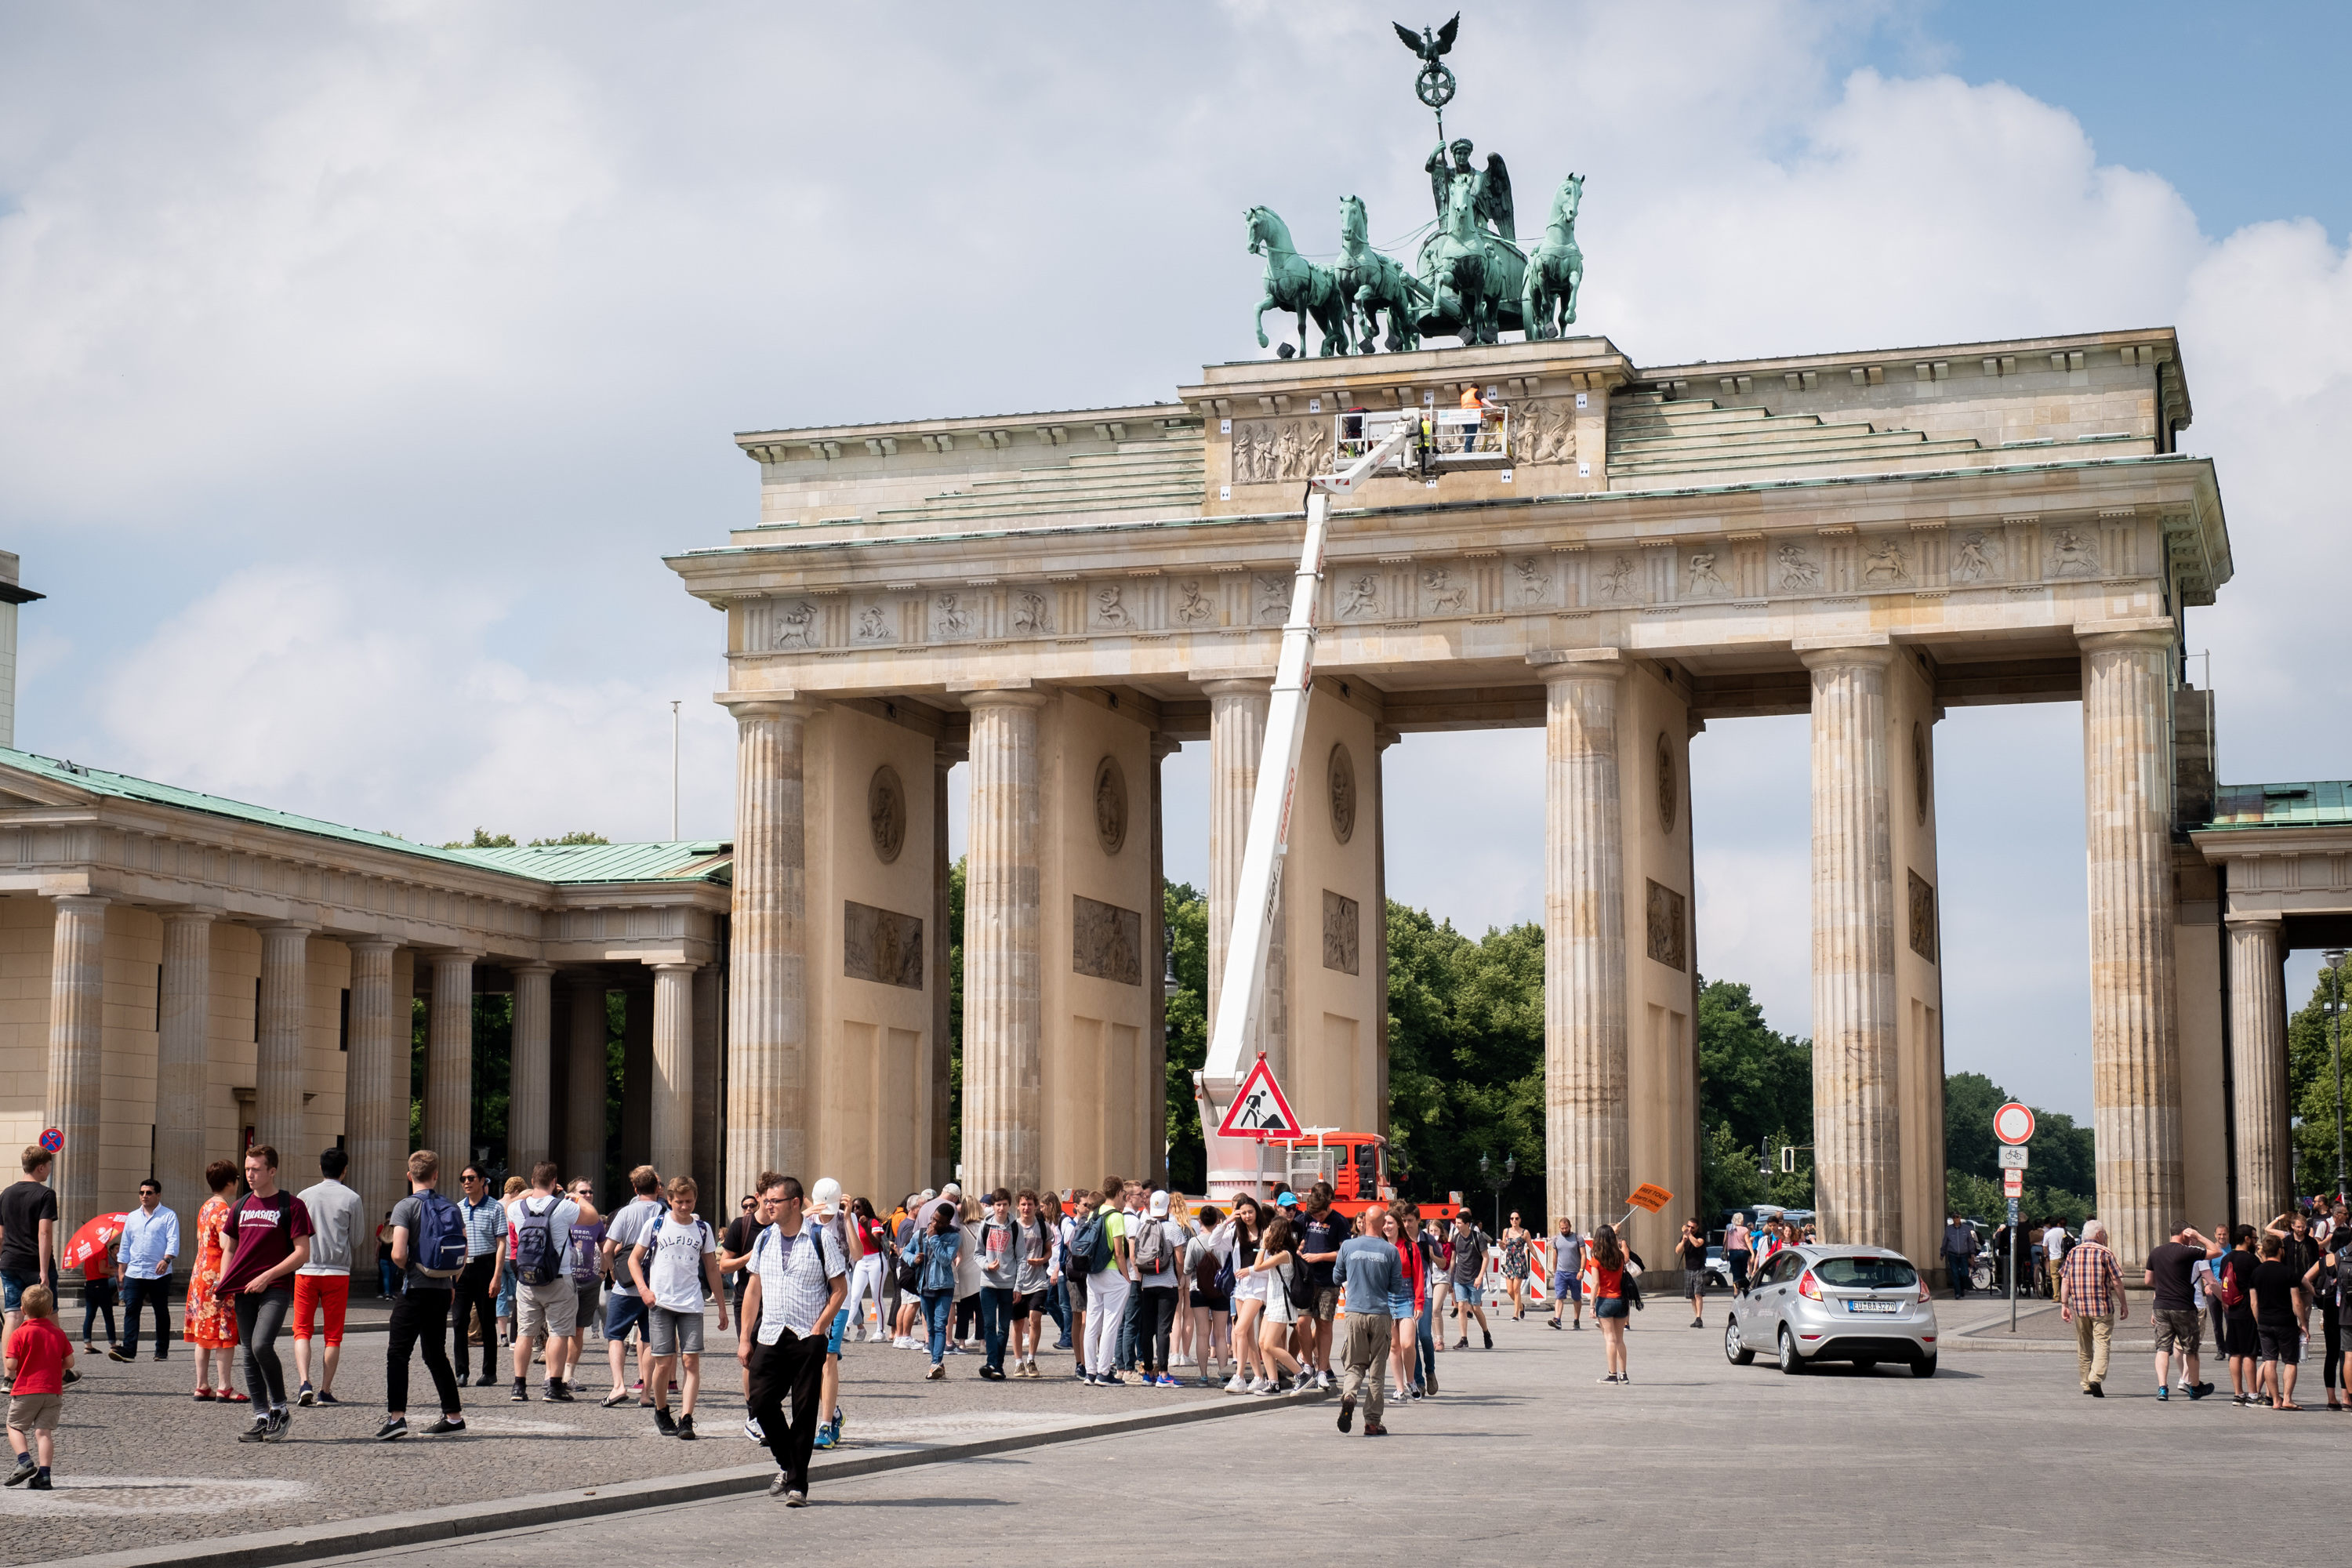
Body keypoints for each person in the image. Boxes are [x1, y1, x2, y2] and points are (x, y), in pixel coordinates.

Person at [739, 1173, 846, 1508]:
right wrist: (744, 1339)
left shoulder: (820, 1238)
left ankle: (798, 1485)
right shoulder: (764, 1239)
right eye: (766, 1201)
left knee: (804, 1410)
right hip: (770, 1334)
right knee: (760, 1402)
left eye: (775, 1201)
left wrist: (820, 1327)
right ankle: (788, 1464)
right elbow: (753, 1290)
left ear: (795, 1203)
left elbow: (840, 1289)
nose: (768, 1206)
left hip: (806, 1337)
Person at [216, 1145, 314, 1441]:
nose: (250, 1175)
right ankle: (261, 1416)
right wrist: (223, 1284)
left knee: (261, 1345)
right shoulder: (240, 1205)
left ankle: (280, 1410)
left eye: (256, 1169)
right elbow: (229, 1249)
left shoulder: (292, 1205)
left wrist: (267, 1276)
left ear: (272, 1171)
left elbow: (302, 1253)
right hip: (243, 1290)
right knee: (248, 1352)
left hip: (276, 1288)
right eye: (247, 1169)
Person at [376, 1149, 466, 1440]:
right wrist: (450, 1282)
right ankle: (453, 1416)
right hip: (442, 1291)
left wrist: (410, 1268)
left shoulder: (405, 1206)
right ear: (436, 1175)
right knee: (436, 1354)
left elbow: (398, 1253)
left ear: (409, 1175)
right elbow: (463, 1252)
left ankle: (396, 1418)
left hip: (415, 1289)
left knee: (398, 1353)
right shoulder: (451, 1206)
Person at [627, 1176, 724, 1440]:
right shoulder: (656, 1224)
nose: (684, 1206)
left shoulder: (702, 1229)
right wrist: (643, 1289)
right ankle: (662, 1410)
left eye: (689, 1201)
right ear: (669, 1200)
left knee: (691, 1361)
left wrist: (721, 1306)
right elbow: (634, 1260)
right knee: (663, 1362)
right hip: (660, 1302)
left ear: (695, 1200)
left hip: (691, 1303)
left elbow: (711, 1268)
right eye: (679, 1201)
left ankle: (687, 1418)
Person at [504, 1161, 584, 1404]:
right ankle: (554, 1387)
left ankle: (518, 1386)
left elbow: (507, 1204)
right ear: (554, 1182)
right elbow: (591, 1217)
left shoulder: (517, 1208)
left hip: (527, 1280)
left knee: (525, 1334)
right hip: (558, 1277)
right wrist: (573, 1197)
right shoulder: (564, 1207)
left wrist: (528, 1192)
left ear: (532, 1180)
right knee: (558, 1332)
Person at [290, 1147, 365, 1407]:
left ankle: (304, 1382)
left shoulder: (304, 1196)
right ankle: (325, 1390)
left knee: (302, 1330)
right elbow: (357, 1239)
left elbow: (294, 1234)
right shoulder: (352, 1198)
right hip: (337, 1272)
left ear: (321, 1168)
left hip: (306, 1270)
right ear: (345, 1170)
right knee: (333, 1335)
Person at [1332, 1207, 1402, 1436]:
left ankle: (1350, 1396)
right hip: (1380, 1314)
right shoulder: (1391, 1251)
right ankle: (1372, 1422)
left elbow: (1336, 1277)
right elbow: (1396, 1287)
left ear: (1364, 1222)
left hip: (1354, 1313)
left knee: (1354, 1365)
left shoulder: (1348, 1246)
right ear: (1382, 1224)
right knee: (1377, 1371)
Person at [598, 1165, 664, 1407]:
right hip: (655, 1287)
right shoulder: (666, 1213)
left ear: (635, 1188)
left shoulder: (626, 1212)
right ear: (657, 1189)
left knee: (615, 1335)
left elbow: (607, 1248)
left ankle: (619, 1386)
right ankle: (646, 1393)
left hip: (626, 1287)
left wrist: (612, 1271)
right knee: (649, 1339)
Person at [184, 1160, 242, 1402]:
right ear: (230, 1182)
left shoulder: (206, 1206)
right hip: (218, 1275)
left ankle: (202, 1385)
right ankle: (224, 1386)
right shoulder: (225, 1211)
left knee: (203, 1332)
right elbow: (226, 1244)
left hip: (200, 1273)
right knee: (223, 1332)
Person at [805, 1177, 857, 1450]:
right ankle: (834, 1412)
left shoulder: (844, 1218)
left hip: (839, 1298)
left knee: (828, 1359)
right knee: (809, 1362)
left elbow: (858, 1254)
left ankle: (825, 1425)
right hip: (811, 1297)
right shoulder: (808, 1220)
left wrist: (847, 1219)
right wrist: (804, 1215)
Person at [3, 1283, 71, 1490]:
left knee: (14, 1426)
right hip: (53, 1391)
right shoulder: (58, 1333)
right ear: (50, 1310)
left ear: (23, 1310)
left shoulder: (19, 1334)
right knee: (44, 1433)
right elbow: (69, 1363)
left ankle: (24, 1460)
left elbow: (11, 1365)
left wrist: (9, 1359)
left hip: (27, 1389)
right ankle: (44, 1476)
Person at [2056, 1216, 2128, 1397]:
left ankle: (2086, 1383)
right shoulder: (2105, 1253)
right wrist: (2124, 1304)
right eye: (2105, 1234)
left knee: (2084, 1346)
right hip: (2102, 1308)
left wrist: (2064, 1304)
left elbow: (2065, 1280)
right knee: (2102, 1343)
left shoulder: (2073, 1253)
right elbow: (2116, 1281)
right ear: (2099, 1234)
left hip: (2080, 1308)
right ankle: (2096, 1377)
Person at [2143, 1222, 2215, 1401]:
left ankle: (2162, 1388)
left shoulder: (2156, 1252)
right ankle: (2195, 1387)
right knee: (2190, 1349)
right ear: (2185, 1233)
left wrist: (2163, 1286)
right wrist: (2199, 1237)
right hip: (2183, 1305)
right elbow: (2216, 1251)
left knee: (2162, 1348)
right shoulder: (2187, 1251)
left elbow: (2148, 1281)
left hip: (2161, 1305)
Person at [114, 1178, 180, 1365]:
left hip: (159, 1273)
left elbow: (173, 1240)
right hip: (135, 1272)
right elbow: (125, 1244)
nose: (144, 1196)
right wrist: (121, 1269)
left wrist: (167, 1259)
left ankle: (161, 1350)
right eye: (142, 1192)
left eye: (149, 1193)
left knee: (161, 1311)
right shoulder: (132, 1217)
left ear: (158, 1195)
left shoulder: (168, 1215)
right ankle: (129, 1350)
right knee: (131, 1310)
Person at [450, 1165, 505, 1388]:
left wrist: (497, 1276)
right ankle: (461, 1372)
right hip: (462, 1269)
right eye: (463, 1178)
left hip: (485, 1266)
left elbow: (501, 1244)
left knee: (487, 1321)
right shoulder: (457, 1208)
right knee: (459, 1322)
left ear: (483, 1181)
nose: (466, 1182)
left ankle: (489, 1372)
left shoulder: (495, 1207)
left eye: (471, 1178)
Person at [0, 1146, 58, 1352]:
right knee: (49, 1314)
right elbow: (44, 1233)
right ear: (40, 1167)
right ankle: (58, 1366)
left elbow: (1, 1235)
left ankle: (9, 1367)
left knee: (13, 1315)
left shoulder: (6, 1194)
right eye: (49, 1165)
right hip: (35, 1263)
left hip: (9, 1263)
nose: (50, 1170)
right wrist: (44, 1271)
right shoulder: (46, 1194)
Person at [902, 1198, 963, 1381]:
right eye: (933, 1219)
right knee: (930, 1327)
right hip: (924, 1286)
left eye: (939, 1222)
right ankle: (938, 1364)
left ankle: (936, 1362)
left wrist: (934, 1238)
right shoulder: (921, 1233)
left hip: (944, 1286)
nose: (934, 1224)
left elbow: (945, 1260)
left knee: (940, 1325)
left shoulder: (953, 1236)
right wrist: (914, 1259)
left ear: (948, 1222)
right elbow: (905, 1252)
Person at [1293, 1184, 1346, 1388]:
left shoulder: (1339, 1221)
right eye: (1315, 1216)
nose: (1318, 1219)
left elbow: (1343, 1252)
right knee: (1302, 1322)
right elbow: (1299, 1239)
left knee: (1324, 1324)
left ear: (1328, 1207)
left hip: (1328, 1281)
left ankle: (1322, 1370)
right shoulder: (1306, 1218)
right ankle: (1307, 1364)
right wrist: (1299, 1250)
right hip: (1306, 1279)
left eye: (1321, 1215)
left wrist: (1319, 1256)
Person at [1082, 1176, 1132, 1386]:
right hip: (1111, 1272)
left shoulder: (1094, 1212)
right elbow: (1119, 1252)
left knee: (1092, 1324)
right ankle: (1104, 1372)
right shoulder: (1116, 1216)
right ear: (1119, 1192)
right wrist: (1127, 1278)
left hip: (1093, 1272)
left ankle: (1090, 1372)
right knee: (1111, 1323)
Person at [2249, 1232, 2308, 1411]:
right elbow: (2297, 1302)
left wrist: (2259, 1321)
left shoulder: (2256, 1273)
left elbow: (2254, 1303)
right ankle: (2287, 1398)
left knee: (2270, 1360)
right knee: (2290, 1361)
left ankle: (2275, 1400)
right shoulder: (2288, 1272)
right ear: (2280, 1250)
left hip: (2265, 1322)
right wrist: (2303, 1324)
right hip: (2285, 1322)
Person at [1247, 1214, 1305, 1392]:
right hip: (1273, 1302)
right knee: (1262, 1342)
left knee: (1270, 1344)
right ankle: (1273, 1382)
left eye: (1270, 1231)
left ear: (1277, 1233)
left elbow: (1258, 1267)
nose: (1267, 1233)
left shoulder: (1285, 1254)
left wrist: (1263, 1246)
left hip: (1282, 1303)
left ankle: (1301, 1374)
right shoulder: (1278, 1253)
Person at [1217, 1196, 1267, 1393]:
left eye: (1250, 1212)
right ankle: (1259, 1378)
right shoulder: (1235, 1233)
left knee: (1239, 1330)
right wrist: (1227, 1221)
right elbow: (1214, 1242)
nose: (1247, 1216)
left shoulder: (1265, 1233)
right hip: (1240, 1287)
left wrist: (1250, 1270)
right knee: (1247, 1334)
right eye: (1243, 1213)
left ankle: (1239, 1377)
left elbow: (1270, 1264)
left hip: (1259, 1287)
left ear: (1256, 1212)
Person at [975, 1187, 1019, 1381]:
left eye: (1005, 1205)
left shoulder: (1015, 1227)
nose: (1001, 1208)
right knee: (989, 1324)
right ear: (992, 1206)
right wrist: (987, 1265)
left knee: (1004, 1327)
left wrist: (1018, 1286)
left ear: (1009, 1205)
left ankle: (997, 1365)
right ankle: (993, 1363)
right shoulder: (985, 1226)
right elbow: (977, 1253)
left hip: (1008, 1284)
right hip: (988, 1283)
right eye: (998, 1205)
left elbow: (1021, 1258)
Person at [1009, 1190, 1054, 1379]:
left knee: (1035, 1320)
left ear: (1036, 1206)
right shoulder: (1013, 1227)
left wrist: (1042, 1260)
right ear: (1018, 1206)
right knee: (1018, 1323)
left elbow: (1049, 1251)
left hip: (1038, 1280)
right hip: (1017, 1282)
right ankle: (1018, 1362)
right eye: (1023, 1204)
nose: (1026, 1208)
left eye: (1030, 1204)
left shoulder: (1043, 1226)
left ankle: (1031, 1359)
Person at [2216, 1224, 2262, 1404]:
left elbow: (2223, 1282)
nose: (2256, 1242)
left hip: (2232, 1310)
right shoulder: (2252, 1261)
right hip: (2248, 1310)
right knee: (2249, 1353)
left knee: (2234, 1353)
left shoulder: (2226, 1258)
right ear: (2247, 1239)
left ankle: (2238, 1394)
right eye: (2255, 1238)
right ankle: (2253, 1394)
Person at [1584, 1222, 1633, 1385]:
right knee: (1620, 1339)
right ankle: (1623, 1374)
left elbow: (1595, 1284)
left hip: (1605, 1301)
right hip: (1621, 1300)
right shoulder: (1620, 1257)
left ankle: (1612, 1375)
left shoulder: (1596, 1259)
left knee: (1610, 1339)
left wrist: (1591, 1305)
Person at [2314, 1201, 2351, 1410]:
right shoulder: (2347, 1259)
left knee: (2331, 1355)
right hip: (2345, 1310)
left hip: (2328, 1308)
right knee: (2346, 1354)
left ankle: (2331, 1399)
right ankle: (2347, 1397)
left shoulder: (2326, 1260)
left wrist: (2317, 1295)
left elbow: (2305, 1279)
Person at [564, 1180, 605, 1362]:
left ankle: (568, 1371)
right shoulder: (563, 1214)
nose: (588, 1195)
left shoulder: (596, 1221)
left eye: (590, 1191)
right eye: (583, 1192)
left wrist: (602, 1273)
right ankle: (554, 1372)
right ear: (572, 1194)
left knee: (579, 1330)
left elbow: (606, 1249)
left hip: (588, 1283)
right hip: (564, 1281)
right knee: (559, 1330)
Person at [1450, 1215, 1490, 1348]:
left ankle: (1486, 1332)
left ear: (1467, 1224)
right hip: (1460, 1278)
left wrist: (1480, 1277)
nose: (1456, 1225)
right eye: (1456, 1223)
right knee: (1461, 1306)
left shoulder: (1477, 1237)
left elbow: (1486, 1258)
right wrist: (1450, 1278)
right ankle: (1464, 1339)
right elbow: (1453, 1259)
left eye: (1459, 1223)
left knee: (1476, 1308)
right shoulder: (1456, 1238)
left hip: (1474, 1278)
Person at [76, 1226, 117, 1358]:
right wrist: (115, 1271)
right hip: (101, 1284)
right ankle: (113, 1345)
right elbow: (102, 1270)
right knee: (108, 1315)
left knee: (90, 1315)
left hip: (89, 1285)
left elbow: (85, 1271)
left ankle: (87, 1345)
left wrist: (106, 1268)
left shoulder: (89, 1249)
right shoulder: (102, 1248)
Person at [1544, 1217, 1583, 1330]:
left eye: (1566, 1228)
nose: (1564, 1230)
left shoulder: (1578, 1238)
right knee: (1559, 1296)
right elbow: (1555, 1256)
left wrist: (1582, 1270)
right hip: (1561, 1273)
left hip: (1575, 1272)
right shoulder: (1556, 1239)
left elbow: (1583, 1255)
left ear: (1570, 1227)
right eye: (1562, 1228)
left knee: (1576, 1298)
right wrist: (1555, 1271)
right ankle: (1557, 1319)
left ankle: (1576, 1319)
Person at [1677, 1218, 1708, 1328]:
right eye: (1688, 1226)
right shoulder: (1684, 1237)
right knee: (1692, 1296)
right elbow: (1677, 1251)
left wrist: (1688, 1234)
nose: (1690, 1229)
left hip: (1699, 1268)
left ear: (1697, 1227)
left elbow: (1697, 1244)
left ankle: (1699, 1317)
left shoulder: (1701, 1236)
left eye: (1693, 1227)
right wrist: (1683, 1241)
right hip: (1688, 1269)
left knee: (1698, 1294)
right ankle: (1697, 1318)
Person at [1942, 1215, 1977, 1300]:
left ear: (1960, 1218)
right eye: (1954, 1218)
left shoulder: (1966, 1228)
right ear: (1953, 1219)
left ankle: (1961, 1288)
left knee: (1964, 1273)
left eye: (1957, 1217)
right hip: (1952, 1254)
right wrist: (1942, 1252)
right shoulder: (1949, 1229)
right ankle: (1957, 1293)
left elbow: (1970, 1241)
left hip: (1964, 1254)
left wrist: (1972, 1253)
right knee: (1955, 1274)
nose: (1956, 1219)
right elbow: (1945, 1241)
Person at [1721, 1212, 1751, 1297]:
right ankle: (1743, 1289)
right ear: (1742, 1220)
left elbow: (1725, 1241)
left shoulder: (1729, 1229)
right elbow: (1747, 1241)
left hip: (1733, 1253)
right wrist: (1752, 1252)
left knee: (1735, 1273)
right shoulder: (1745, 1230)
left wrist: (1725, 1251)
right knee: (1743, 1272)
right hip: (1743, 1253)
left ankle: (1735, 1291)